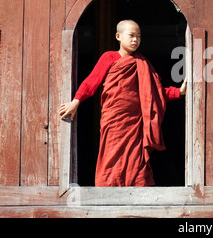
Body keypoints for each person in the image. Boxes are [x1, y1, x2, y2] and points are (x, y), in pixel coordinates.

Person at [59, 19, 186, 187]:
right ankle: (107, 190)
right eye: (131, 36)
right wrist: (76, 101)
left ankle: (137, 192)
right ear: (118, 36)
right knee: (111, 155)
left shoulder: (142, 63)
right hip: (114, 121)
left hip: (135, 122)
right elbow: (92, 81)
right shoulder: (109, 57)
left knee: (136, 160)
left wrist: (178, 92)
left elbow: (155, 92)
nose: (135, 40)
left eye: (139, 36)